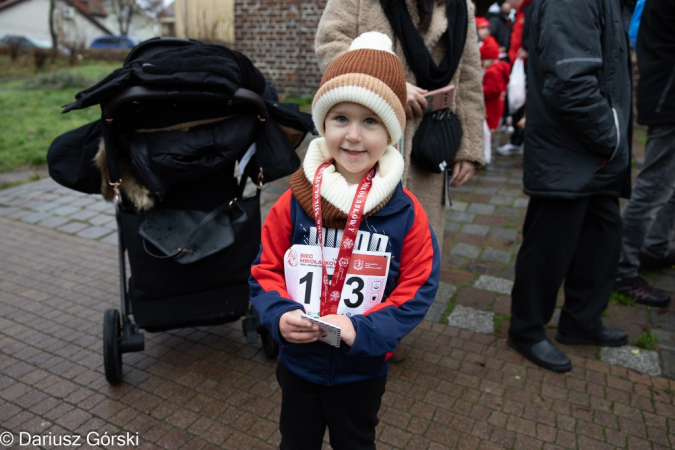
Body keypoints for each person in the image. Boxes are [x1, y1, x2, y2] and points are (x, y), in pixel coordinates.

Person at [249, 32, 440, 449]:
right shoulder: (292, 202)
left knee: (355, 441)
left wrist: (364, 330)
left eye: (370, 121)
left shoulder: (406, 213)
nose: (353, 136)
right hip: (298, 363)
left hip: (363, 367)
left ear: (390, 133)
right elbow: (265, 270)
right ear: (323, 124)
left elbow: (419, 287)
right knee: (296, 440)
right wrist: (279, 315)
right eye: (341, 119)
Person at [507, 0, 634, 373]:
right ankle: (526, 330)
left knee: (601, 241)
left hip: (596, 154)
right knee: (549, 248)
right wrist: (612, 138)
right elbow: (570, 81)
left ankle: (581, 321)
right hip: (571, 152)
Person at [315, 0, 485, 246]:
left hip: (429, 140)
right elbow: (331, 43)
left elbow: (469, 78)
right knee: (356, 242)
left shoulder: (460, 7)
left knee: (418, 244)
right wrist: (388, 86)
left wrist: (468, 148)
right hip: (364, 138)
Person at [613, 0, 674, 308]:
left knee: (667, 186)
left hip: (664, 97)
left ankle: (656, 247)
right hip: (668, 101)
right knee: (654, 188)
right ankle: (621, 269)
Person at [496, 0, 533, 156]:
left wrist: (529, 49)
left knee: (524, 104)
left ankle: (522, 140)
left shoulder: (531, 9)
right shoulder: (521, 12)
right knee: (517, 102)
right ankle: (517, 140)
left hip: (526, 65)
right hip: (517, 63)